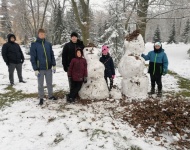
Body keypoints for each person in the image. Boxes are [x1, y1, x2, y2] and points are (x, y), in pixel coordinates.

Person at [30, 29, 57, 105]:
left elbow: (52, 55)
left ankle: (50, 95)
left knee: (49, 83)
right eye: (41, 34)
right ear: (38, 34)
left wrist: (54, 65)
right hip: (40, 69)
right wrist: (35, 69)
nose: (42, 35)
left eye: (43, 34)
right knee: (40, 84)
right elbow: (33, 58)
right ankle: (41, 98)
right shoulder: (34, 44)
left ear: (45, 35)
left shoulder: (48, 44)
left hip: (48, 68)